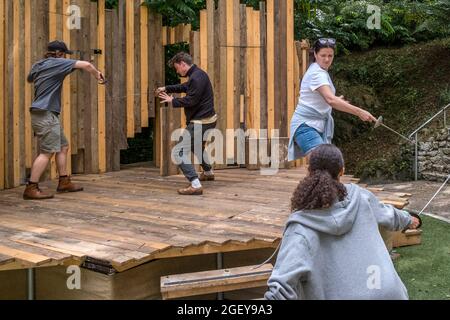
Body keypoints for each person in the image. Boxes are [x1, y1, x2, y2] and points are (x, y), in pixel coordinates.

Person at [265, 144, 421, 300]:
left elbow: (281, 289)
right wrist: (409, 220)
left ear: (309, 171)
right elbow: (389, 214)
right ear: (342, 171)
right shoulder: (361, 197)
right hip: (389, 293)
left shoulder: (300, 228)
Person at [23, 40, 106, 200]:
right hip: (45, 112)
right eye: (63, 55)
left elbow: (30, 79)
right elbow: (87, 66)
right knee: (47, 152)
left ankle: (64, 181)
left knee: (63, 146)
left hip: (44, 113)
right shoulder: (58, 62)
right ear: (59, 53)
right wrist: (98, 76)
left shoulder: (38, 65)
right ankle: (31, 187)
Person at [288, 38, 377, 161]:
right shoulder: (317, 74)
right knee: (324, 163)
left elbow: (328, 97)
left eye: (330, 55)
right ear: (315, 54)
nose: (327, 59)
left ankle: (314, 180)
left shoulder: (319, 70)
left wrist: (337, 100)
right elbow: (330, 100)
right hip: (306, 126)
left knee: (320, 166)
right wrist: (359, 112)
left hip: (315, 125)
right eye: (323, 55)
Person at [156, 52, 217, 196]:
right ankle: (208, 172)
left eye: (177, 68)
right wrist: (167, 88)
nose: (177, 71)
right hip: (208, 120)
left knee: (178, 152)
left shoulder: (196, 77)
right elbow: (185, 87)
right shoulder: (197, 74)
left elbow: (191, 101)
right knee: (196, 146)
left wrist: (173, 101)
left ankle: (195, 185)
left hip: (201, 122)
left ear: (183, 64)